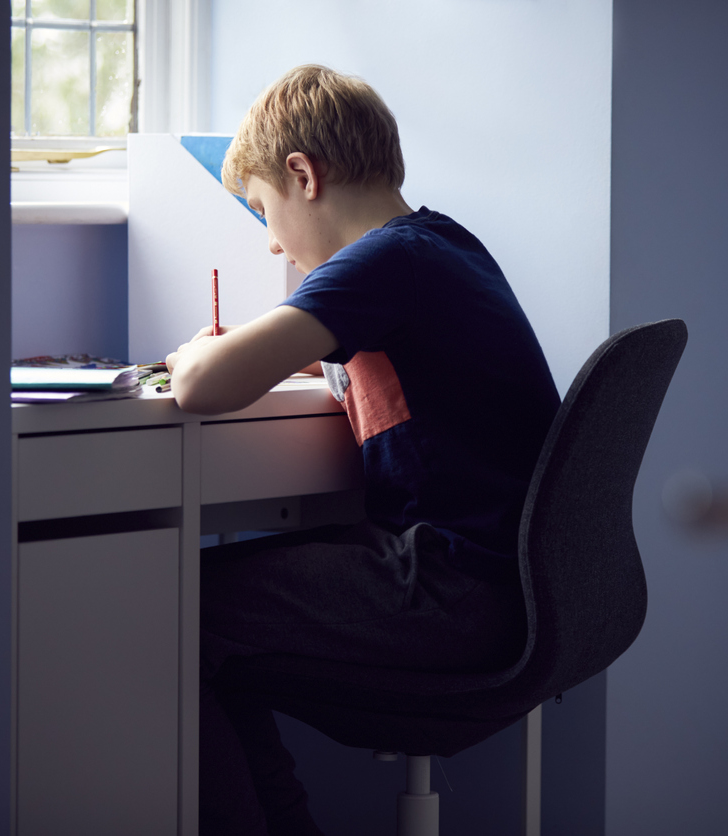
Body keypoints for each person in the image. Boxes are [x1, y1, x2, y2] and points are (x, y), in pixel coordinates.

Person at [166, 64, 560, 835]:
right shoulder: (443, 244)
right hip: (501, 584)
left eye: (262, 211)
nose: (273, 240)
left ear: (302, 175)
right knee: (220, 624)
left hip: (451, 591)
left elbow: (202, 387)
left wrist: (190, 354)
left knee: (173, 608)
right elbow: (404, 358)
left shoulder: (384, 261)